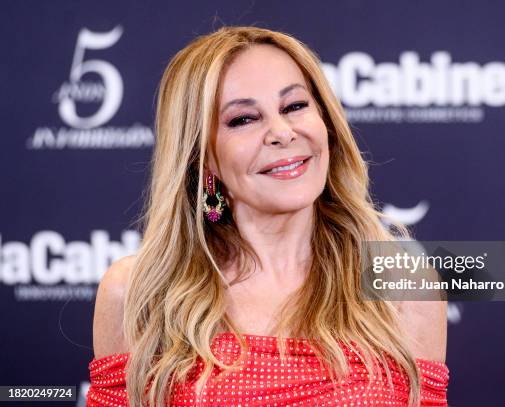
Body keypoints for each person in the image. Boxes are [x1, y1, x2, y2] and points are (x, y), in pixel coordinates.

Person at [86, 25, 449, 407]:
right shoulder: (138, 294)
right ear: (203, 157)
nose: (281, 132)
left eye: (294, 106)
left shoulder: (405, 286)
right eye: (243, 119)